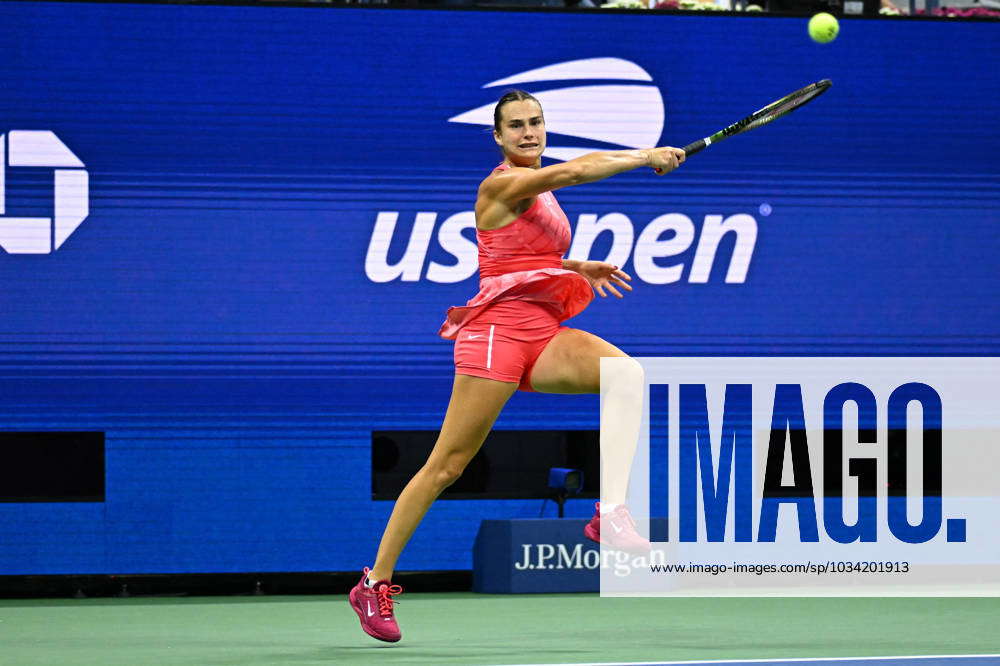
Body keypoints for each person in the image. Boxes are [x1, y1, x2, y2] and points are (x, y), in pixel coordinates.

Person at [348, 90, 686, 643]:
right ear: (499, 137)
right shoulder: (499, 184)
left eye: (536, 122)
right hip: (494, 337)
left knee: (628, 376)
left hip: (542, 333)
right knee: (447, 465)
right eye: (516, 126)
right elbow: (577, 172)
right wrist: (644, 155)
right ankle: (373, 583)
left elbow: (519, 255)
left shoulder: (537, 188)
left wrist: (575, 266)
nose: (529, 132)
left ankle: (611, 513)